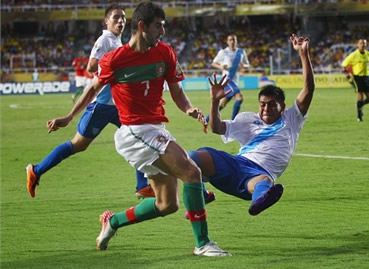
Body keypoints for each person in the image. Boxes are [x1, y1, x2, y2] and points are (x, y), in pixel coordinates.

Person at [44, 2, 229, 256]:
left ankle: (114, 221)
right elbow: (92, 89)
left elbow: (177, 93)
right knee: (192, 171)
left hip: (152, 129)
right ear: (141, 26)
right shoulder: (115, 60)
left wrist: (189, 109)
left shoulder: (165, 53)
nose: (162, 32)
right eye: (158, 26)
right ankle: (203, 243)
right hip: (134, 131)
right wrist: (68, 117)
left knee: (167, 204)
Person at [26, 4, 154, 200]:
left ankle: (142, 185)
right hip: (102, 105)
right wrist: (115, 69)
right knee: (78, 144)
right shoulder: (105, 40)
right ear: (106, 21)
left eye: (123, 18)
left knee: (139, 135)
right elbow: (91, 66)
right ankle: (36, 170)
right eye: (115, 17)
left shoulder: (117, 41)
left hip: (118, 105)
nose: (120, 21)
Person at [189, 34, 314, 216]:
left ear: (283, 107)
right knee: (194, 157)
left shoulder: (292, 118)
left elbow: (308, 88)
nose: (266, 108)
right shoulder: (247, 119)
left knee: (264, 182)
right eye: (263, 104)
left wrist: (303, 54)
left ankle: (260, 200)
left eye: (272, 104)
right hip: (235, 163)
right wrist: (215, 102)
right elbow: (216, 128)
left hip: (258, 174)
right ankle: (201, 196)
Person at [207, 34, 250, 124]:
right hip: (227, 80)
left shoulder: (241, 52)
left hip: (235, 80)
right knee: (240, 98)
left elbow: (247, 65)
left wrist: (243, 66)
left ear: (236, 41)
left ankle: (206, 120)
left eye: (234, 40)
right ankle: (234, 121)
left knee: (222, 104)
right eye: (230, 40)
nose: (232, 41)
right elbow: (214, 63)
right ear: (227, 42)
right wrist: (221, 66)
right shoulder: (223, 52)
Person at [341, 39, 369, 122]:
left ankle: (360, 105)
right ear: (357, 45)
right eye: (361, 43)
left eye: (364, 43)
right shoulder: (353, 55)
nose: (363, 45)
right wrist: (348, 74)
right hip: (357, 77)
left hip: (366, 77)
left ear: (366, 45)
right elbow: (344, 65)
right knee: (360, 97)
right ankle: (359, 117)